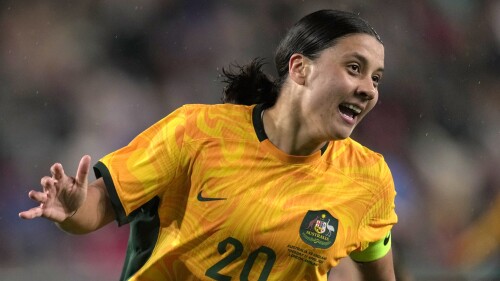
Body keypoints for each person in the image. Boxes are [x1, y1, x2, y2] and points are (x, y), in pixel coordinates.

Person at [19, 9, 398, 281]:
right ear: (300, 68)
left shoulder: (368, 179)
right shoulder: (197, 132)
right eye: (354, 68)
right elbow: (96, 208)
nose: (368, 89)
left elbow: (378, 273)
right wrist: (72, 208)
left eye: (376, 78)